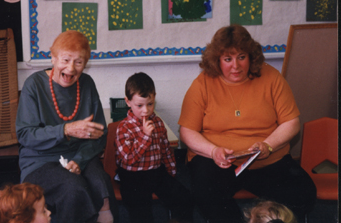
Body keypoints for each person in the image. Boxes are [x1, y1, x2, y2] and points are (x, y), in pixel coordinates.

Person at [178, 25, 316, 223]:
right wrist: (213, 151)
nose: (236, 66)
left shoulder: (271, 77)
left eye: (241, 57)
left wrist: (268, 145)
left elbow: (291, 122)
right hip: (217, 160)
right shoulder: (202, 83)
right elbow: (187, 131)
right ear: (217, 61)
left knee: (304, 193)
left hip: (266, 158)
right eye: (228, 59)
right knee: (205, 193)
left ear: (251, 57)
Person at [16, 30, 117, 223]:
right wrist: (65, 130)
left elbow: (100, 134)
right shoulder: (34, 85)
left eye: (78, 62)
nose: (71, 69)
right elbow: (25, 135)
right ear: (53, 58)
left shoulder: (86, 84)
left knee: (101, 183)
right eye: (65, 60)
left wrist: (79, 160)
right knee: (73, 189)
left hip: (78, 155)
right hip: (40, 160)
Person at [115, 72, 193, 223]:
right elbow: (129, 159)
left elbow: (165, 149)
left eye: (149, 104)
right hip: (132, 176)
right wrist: (145, 136)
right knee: (141, 212)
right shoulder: (124, 128)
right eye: (139, 105)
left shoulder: (157, 122)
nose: (146, 110)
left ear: (154, 98)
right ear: (128, 101)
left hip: (156, 171)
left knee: (184, 197)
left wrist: (171, 171)